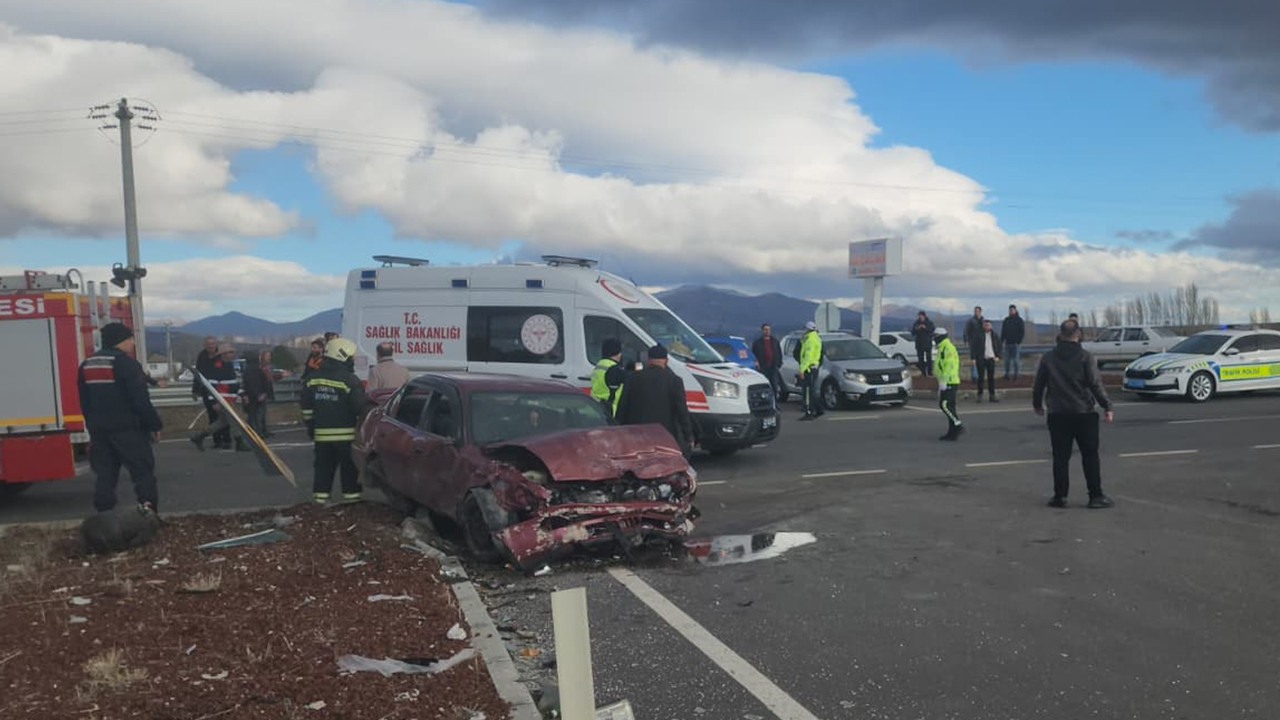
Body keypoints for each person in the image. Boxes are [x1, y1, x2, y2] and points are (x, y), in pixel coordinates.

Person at [77, 322, 163, 514]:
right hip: (128, 429)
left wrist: (92, 426)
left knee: (105, 474)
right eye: (130, 339)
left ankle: (104, 515)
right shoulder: (126, 364)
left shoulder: (87, 364)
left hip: (99, 430)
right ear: (121, 340)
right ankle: (148, 511)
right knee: (142, 473)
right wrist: (154, 425)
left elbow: (85, 401)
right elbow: (140, 400)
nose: (132, 343)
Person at [1033, 321, 1115, 509]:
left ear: (1060, 335)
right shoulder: (1085, 357)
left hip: (1058, 413)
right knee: (1090, 455)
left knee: (1060, 457)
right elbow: (1095, 384)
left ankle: (1060, 496)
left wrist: (1037, 404)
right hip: (1083, 412)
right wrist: (1107, 406)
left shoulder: (1048, 358)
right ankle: (1095, 495)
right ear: (1078, 334)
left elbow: (1039, 384)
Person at [300, 338, 371, 504]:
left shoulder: (312, 378)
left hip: (322, 436)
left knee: (323, 470)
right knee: (349, 470)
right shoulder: (350, 380)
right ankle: (352, 502)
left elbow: (306, 407)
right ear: (343, 356)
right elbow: (359, 408)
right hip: (346, 436)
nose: (352, 360)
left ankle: (320, 502)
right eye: (351, 357)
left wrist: (311, 426)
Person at [615, 345, 694, 455]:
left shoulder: (633, 378)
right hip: (664, 434)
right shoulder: (675, 381)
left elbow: (622, 406)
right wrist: (688, 436)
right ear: (666, 361)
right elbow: (682, 410)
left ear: (648, 360)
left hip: (638, 434)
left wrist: (619, 431)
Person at [189, 344, 246, 452]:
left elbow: (233, 384)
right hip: (223, 400)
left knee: (221, 423)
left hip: (229, 398)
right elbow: (212, 385)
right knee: (235, 420)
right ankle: (239, 442)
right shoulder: (217, 367)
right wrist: (214, 401)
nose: (233, 354)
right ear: (224, 354)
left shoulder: (229, 366)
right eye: (231, 352)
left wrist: (241, 394)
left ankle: (199, 436)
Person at [191, 336, 224, 447]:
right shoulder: (202, 356)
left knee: (224, 416)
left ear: (216, 344)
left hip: (221, 390)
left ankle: (227, 440)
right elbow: (198, 374)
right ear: (205, 345)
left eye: (213, 343)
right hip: (207, 390)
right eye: (209, 344)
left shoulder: (221, 356)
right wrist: (195, 390)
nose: (211, 346)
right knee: (212, 416)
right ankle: (217, 440)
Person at [934, 327, 964, 441]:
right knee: (951, 406)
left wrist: (944, 380)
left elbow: (949, 365)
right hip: (945, 380)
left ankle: (958, 424)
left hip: (950, 381)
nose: (934, 339)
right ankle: (952, 433)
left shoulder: (948, 348)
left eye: (935, 336)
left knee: (945, 405)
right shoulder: (942, 348)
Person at [242, 349, 275, 438]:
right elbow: (254, 383)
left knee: (255, 414)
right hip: (255, 395)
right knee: (256, 415)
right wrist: (260, 394)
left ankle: (257, 431)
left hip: (254, 394)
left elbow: (249, 383)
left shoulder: (250, 369)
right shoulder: (255, 369)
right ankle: (256, 432)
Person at [589, 338, 627, 416]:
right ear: (618, 353)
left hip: (596, 408)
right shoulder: (616, 370)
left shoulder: (599, 365)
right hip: (610, 411)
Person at [751, 324, 784, 397]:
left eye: (769, 329)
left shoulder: (775, 341)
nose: (767, 331)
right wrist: (757, 363)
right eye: (765, 329)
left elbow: (779, 353)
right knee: (764, 386)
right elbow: (753, 354)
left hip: (773, 367)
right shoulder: (757, 343)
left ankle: (775, 404)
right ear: (762, 331)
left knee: (774, 386)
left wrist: (779, 364)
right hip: (763, 367)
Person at [976, 319, 1001, 403]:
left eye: (988, 325)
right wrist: (974, 358)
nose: (987, 326)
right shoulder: (979, 335)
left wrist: (998, 356)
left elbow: (999, 346)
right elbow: (974, 347)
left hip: (991, 359)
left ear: (991, 326)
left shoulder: (995, 336)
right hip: (982, 359)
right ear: (983, 326)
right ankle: (980, 395)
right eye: (985, 325)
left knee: (991, 378)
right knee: (980, 378)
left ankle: (992, 395)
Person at [1002, 304, 1026, 380]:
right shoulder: (1006, 320)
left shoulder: (1019, 320)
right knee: (1007, 361)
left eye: (1012, 310)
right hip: (1007, 343)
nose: (1011, 311)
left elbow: (1022, 332)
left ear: (1015, 310)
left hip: (1015, 344)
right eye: (1010, 310)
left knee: (1016, 361)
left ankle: (1016, 375)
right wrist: (1001, 341)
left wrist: (1018, 342)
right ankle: (1007, 374)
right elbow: (1003, 331)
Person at [964, 306, 985, 383]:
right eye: (975, 311)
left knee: (981, 361)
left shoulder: (983, 321)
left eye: (978, 311)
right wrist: (966, 340)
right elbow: (966, 330)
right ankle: (974, 377)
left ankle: (980, 376)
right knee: (973, 360)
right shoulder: (971, 321)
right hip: (973, 343)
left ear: (980, 312)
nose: (977, 312)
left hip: (982, 344)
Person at [911, 311, 936, 376]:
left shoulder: (929, 323)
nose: (920, 317)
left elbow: (932, 330)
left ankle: (930, 372)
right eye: (919, 316)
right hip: (919, 344)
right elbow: (913, 333)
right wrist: (917, 329)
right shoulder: (916, 323)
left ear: (924, 316)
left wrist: (925, 328)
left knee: (929, 359)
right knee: (920, 359)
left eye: (921, 316)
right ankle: (923, 372)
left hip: (927, 343)